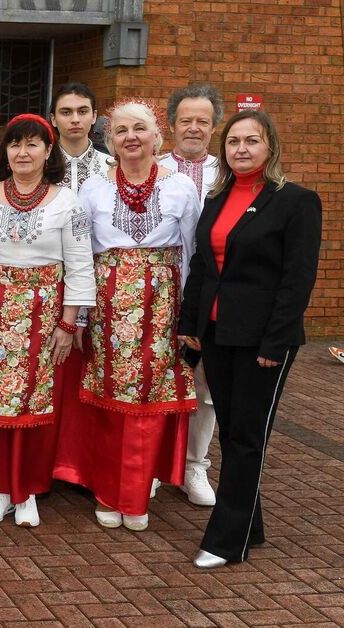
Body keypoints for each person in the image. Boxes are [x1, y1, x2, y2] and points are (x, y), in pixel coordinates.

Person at [179, 111, 321, 568]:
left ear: (270, 147)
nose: (241, 149)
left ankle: (226, 541)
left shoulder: (296, 201)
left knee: (246, 437)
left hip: (263, 340)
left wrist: (275, 343)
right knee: (235, 434)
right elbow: (202, 266)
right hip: (217, 334)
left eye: (251, 141)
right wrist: (190, 326)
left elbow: (297, 280)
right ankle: (250, 524)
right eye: (234, 141)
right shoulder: (217, 198)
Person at [52, 100, 200, 532]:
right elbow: (77, 256)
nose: (131, 137)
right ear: (110, 140)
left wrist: (187, 319)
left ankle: (135, 495)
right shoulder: (93, 190)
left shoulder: (180, 189)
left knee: (149, 402)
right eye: (120, 130)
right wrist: (77, 319)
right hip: (107, 309)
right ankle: (106, 490)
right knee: (107, 401)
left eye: (140, 128)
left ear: (158, 136)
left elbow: (192, 257)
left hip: (161, 309)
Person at [0, 114, 95, 528]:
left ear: (47, 151)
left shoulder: (67, 201)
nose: (23, 152)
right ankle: (0, 486)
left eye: (33, 144)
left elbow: (79, 264)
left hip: (44, 314)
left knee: (36, 400)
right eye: (15, 144)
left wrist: (68, 323)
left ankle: (29, 488)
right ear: (4, 151)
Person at [159, 83, 225, 507]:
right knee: (156, 378)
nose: (195, 128)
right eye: (187, 120)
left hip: (215, 298)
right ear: (171, 124)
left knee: (206, 388)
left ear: (215, 125)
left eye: (203, 120)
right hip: (162, 294)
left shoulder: (230, 170)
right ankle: (151, 463)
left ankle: (193, 466)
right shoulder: (154, 167)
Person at [50, 82, 111, 193]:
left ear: (94, 116)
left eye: (82, 112)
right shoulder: (41, 165)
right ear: (53, 119)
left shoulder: (110, 166)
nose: (75, 119)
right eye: (66, 112)